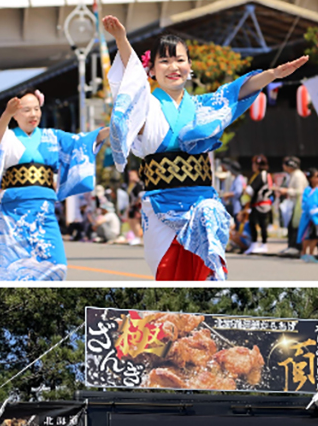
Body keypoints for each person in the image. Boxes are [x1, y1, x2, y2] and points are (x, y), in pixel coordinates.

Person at [103, 15, 307, 279]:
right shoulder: (146, 106)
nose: (173, 66)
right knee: (168, 275)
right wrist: (121, 39)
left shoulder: (204, 107)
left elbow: (236, 92)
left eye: (180, 60)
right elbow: (132, 82)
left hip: (202, 201)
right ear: (150, 70)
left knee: (206, 255)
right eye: (164, 61)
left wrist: (273, 75)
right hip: (160, 205)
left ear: (190, 66)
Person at [0, 89, 107, 280]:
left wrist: (111, 130)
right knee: (13, 268)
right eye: (26, 110)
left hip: (44, 209)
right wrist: (6, 114)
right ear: (15, 114)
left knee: (57, 266)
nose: (33, 114)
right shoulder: (8, 136)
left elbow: (81, 142)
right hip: (15, 211)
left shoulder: (52, 136)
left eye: (36, 109)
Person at [245, 154, 274, 254]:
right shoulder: (266, 174)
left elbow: (251, 190)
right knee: (259, 224)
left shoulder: (261, 175)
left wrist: (245, 191)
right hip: (263, 203)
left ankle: (260, 244)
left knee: (258, 224)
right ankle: (258, 244)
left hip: (260, 204)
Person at [278, 156, 307, 256]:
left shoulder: (298, 175)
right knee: (291, 225)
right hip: (293, 203)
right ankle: (291, 246)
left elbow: (300, 191)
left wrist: (287, 191)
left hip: (298, 204)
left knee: (295, 226)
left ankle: (296, 247)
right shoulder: (292, 175)